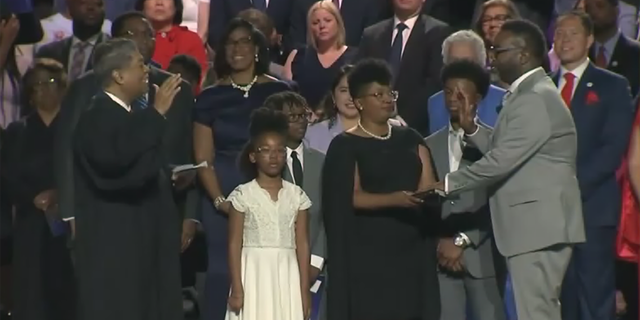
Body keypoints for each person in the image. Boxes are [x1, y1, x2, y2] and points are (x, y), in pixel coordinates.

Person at [430, 20, 586, 320]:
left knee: (536, 312)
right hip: (535, 227)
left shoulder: (534, 98)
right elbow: (507, 148)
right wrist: (473, 128)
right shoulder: (528, 93)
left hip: (538, 227)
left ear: (524, 55)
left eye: (497, 50)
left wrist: (447, 183)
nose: (491, 57)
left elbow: (501, 161)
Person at [54, 11, 198, 245]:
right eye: (132, 34)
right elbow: (65, 149)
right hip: (104, 210)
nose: (142, 40)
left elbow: (188, 152)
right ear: (114, 41)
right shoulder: (85, 87)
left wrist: (190, 214)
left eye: (148, 34)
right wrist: (69, 211)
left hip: (161, 209)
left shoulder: (176, 89)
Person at [73, 38, 184, 320]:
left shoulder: (126, 116)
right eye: (140, 64)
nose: (147, 70)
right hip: (116, 244)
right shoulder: (97, 115)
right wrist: (156, 114)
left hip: (139, 239)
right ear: (118, 75)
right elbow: (116, 165)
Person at [322, 58, 440, 320]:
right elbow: (347, 198)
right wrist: (395, 199)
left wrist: (430, 194)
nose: (388, 99)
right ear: (359, 102)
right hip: (367, 255)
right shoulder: (345, 146)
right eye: (379, 94)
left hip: (410, 250)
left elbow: (428, 186)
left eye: (390, 92)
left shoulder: (411, 138)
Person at [192, 17, 291, 320]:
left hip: (270, 189)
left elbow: (291, 148)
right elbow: (203, 160)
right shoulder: (209, 98)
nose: (237, 48)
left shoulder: (279, 94)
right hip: (222, 192)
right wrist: (221, 201)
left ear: (258, 49)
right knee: (223, 270)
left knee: (268, 267)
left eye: (244, 41)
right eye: (230, 42)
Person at [551, 10, 635, 320]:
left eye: (573, 33)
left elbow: (613, 147)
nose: (565, 40)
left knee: (595, 298)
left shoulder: (612, 85)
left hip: (591, 208)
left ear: (589, 40)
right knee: (560, 297)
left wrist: (570, 186)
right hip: (547, 214)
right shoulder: (542, 87)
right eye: (559, 34)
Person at [425, 60, 505, 320]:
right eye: (448, 92)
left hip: (483, 257)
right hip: (441, 259)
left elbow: (497, 201)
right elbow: (425, 203)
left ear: (478, 98)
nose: (453, 99)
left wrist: (462, 239)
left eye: (461, 93)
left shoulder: (495, 144)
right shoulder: (426, 145)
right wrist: (442, 242)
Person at [1, 59, 75, 320]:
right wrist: (32, 197)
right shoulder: (17, 131)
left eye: (50, 82)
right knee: (32, 296)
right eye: (36, 86)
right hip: (30, 222)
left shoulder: (76, 127)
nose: (43, 89)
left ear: (64, 87)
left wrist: (58, 193)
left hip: (69, 221)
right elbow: (7, 175)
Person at [225, 107, 311, 320]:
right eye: (266, 150)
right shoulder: (243, 195)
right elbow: (234, 243)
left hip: (286, 273)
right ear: (253, 156)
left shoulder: (297, 196)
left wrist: (304, 291)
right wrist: (237, 287)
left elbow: (303, 245)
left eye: (280, 150)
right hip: (253, 273)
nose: (274, 156)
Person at [263, 92, 327, 320]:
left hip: (317, 271)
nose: (301, 121)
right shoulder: (262, 165)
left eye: (303, 115)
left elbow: (329, 217)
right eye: (292, 116)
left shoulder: (322, 162)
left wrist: (315, 263)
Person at [427, 30, 506, 134]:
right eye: (454, 62)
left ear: (482, 64)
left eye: (467, 62)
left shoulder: (505, 101)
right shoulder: (435, 103)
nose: (461, 69)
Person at [283, 1, 356, 111]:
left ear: (338, 23)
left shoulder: (355, 57)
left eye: (327, 20)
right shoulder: (297, 56)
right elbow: (286, 98)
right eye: (315, 22)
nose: (322, 26)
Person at [36, 0, 109, 81]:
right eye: (83, 3)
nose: (91, 8)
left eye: (98, 4)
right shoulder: (48, 52)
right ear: (70, 7)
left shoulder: (115, 53)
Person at [135, 0, 208, 75]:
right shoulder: (133, 38)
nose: (159, 3)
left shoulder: (191, 39)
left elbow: (199, 79)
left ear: (176, 5)